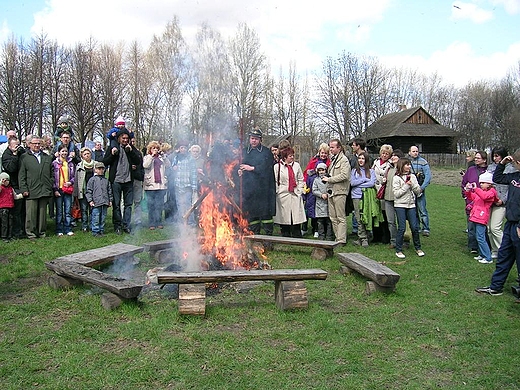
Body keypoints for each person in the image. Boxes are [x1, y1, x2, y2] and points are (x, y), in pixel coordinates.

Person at [476, 149, 520, 296]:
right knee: (503, 256)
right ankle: (495, 287)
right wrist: (502, 164)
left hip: (519, 226)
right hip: (510, 224)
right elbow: (498, 178)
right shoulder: (515, 176)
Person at [238, 128, 276, 235]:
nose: (254, 141)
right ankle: (255, 236)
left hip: (263, 188)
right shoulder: (244, 151)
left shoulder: (266, 152)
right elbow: (239, 165)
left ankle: (268, 238)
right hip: (249, 189)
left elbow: (267, 168)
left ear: (260, 140)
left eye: (256, 139)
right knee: (252, 214)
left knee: (265, 215)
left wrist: (253, 168)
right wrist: (239, 171)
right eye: (252, 138)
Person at [102, 128, 140, 234]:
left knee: (128, 205)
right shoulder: (112, 147)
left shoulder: (130, 148)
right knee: (116, 205)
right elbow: (105, 162)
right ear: (119, 138)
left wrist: (131, 151)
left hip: (128, 181)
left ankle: (126, 225)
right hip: (116, 180)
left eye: (127, 138)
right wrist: (113, 154)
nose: (125, 140)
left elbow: (138, 161)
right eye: (123, 138)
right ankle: (117, 225)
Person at [18, 136, 54, 239]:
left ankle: (42, 232)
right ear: (29, 144)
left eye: (39, 143)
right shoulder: (24, 157)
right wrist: (24, 189)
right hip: (31, 189)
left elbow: (52, 173)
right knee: (31, 214)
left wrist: (50, 184)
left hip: (44, 189)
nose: (37, 145)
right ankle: (31, 233)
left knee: (42, 214)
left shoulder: (46, 157)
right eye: (35, 143)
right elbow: (21, 175)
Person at [486, 146, 518, 259]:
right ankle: (495, 251)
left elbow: (511, 189)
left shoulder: (511, 169)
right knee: (489, 229)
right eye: (493, 156)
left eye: (497, 156)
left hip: (502, 202)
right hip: (490, 201)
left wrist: (502, 200)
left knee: (495, 227)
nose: (495, 158)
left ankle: (504, 251)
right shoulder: (490, 168)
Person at [392, 157, 425, 259]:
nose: (409, 166)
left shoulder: (412, 176)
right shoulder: (396, 178)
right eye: (407, 164)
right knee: (401, 228)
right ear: (402, 166)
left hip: (411, 205)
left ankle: (418, 248)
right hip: (400, 205)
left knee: (414, 227)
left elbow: (418, 191)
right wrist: (406, 186)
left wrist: (414, 185)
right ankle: (398, 249)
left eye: (409, 164)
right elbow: (396, 194)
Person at [464, 171, 498, 264]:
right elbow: (472, 197)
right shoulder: (481, 191)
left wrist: (476, 189)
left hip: (482, 217)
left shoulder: (492, 192)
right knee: (477, 236)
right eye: (481, 182)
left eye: (483, 183)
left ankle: (488, 257)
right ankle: (482, 254)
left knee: (481, 237)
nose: (481, 184)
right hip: (475, 216)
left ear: (489, 183)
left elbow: (484, 197)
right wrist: (468, 190)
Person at [322, 139, 350, 244]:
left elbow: (344, 175)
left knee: (340, 217)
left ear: (339, 148)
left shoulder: (344, 160)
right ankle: (337, 238)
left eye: (333, 147)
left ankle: (342, 240)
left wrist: (329, 179)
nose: (330, 149)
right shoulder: (333, 160)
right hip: (331, 192)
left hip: (340, 191)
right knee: (333, 217)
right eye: (330, 147)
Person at [273, 147, 306, 237]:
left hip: (295, 192)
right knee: (284, 215)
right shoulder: (277, 167)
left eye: (292, 156)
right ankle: (285, 233)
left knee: (296, 215)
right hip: (283, 193)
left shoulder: (296, 166)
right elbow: (275, 180)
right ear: (284, 157)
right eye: (290, 156)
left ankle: (296, 233)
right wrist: (278, 191)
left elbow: (300, 179)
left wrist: (299, 190)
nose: (292, 157)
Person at [461, 150, 488, 254]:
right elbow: (464, 183)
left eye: (478, 158)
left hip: (483, 201)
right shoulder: (471, 170)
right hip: (471, 200)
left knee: (482, 224)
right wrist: (464, 194)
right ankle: (473, 246)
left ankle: (485, 245)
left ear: (484, 160)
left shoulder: (488, 171)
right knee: (471, 223)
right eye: (475, 158)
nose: (476, 159)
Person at [350, 151, 376, 247]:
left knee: (367, 217)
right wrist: (364, 180)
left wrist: (359, 183)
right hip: (356, 197)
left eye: (363, 158)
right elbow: (352, 183)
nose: (361, 160)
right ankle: (363, 238)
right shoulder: (354, 171)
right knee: (358, 218)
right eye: (359, 158)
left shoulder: (371, 171)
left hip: (367, 197)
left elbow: (372, 183)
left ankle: (368, 236)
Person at [143, 141, 170, 230]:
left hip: (161, 185)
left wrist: (164, 157)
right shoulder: (147, 157)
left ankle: (159, 222)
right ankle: (151, 223)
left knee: (159, 205)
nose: (155, 150)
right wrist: (152, 156)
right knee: (151, 205)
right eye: (153, 148)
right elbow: (146, 166)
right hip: (150, 185)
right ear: (150, 149)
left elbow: (168, 165)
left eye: (157, 148)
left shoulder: (162, 158)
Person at [2, 136, 25, 238]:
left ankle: (22, 230)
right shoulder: (6, 155)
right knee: (15, 212)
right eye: (15, 145)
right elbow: (11, 168)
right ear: (9, 145)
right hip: (13, 186)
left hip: (21, 184)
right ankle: (15, 232)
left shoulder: (21, 152)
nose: (17, 147)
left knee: (22, 211)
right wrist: (15, 155)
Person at [171, 140, 198, 225]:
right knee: (180, 204)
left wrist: (194, 186)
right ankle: (182, 222)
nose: (183, 149)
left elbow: (194, 173)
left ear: (187, 149)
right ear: (179, 149)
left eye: (184, 148)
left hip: (187, 186)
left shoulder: (190, 159)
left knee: (188, 204)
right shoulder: (176, 158)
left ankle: (191, 222)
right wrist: (173, 168)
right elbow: (172, 169)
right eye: (181, 148)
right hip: (178, 185)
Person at [52, 145, 76, 236]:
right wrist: (55, 189)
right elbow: (53, 178)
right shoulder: (55, 163)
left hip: (67, 189)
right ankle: (59, 229)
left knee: (67, 210)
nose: (64, 153)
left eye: (66, 151)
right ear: (59, 152)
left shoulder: (70, 163)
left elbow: (73, 176)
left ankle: (68, 228)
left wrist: (70, 182)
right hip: (59, 189)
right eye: (62, 151)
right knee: (59, 211)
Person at [371, 144, 393, 244]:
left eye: (387, 154)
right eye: (383, 153)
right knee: (376, 213)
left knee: (384, 214)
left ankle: (386, 236)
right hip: (375, 189)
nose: (384, 155)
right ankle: (376, 236)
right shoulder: (375, 162)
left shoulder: (390, 164)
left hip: (384, 190)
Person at [383, 149, 404, 248]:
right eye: (393, 156)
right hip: (388, 198)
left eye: (395, 156)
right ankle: (393, 241)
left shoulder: (402, 170)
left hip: (399, 199)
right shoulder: (389, 169)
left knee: (401, 222)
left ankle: (403, 240)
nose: (393, 157)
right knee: (391, 221)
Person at [408, 145, 431, 237]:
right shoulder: (407, 162)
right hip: (410, 189)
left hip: (420, 189)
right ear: (409, 152)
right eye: (413, 151)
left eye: (416, 151)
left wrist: (422, 188)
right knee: (413, 209)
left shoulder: (423, 162)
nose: (415, 153)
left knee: (422, 210)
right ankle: (416, 227)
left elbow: (428, 176)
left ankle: (425, 228)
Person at [86, 162, 113, 237]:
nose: (101, 170)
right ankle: (95, 231)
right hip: (96, 202)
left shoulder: (106, 180)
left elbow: (109, 191)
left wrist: (110, 200)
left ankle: (101, 230)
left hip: (104, 202)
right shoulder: (92, 180)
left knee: (103, 217)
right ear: (95, 170)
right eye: (99, 169)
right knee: (96, 217)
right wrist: (90, 200)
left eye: (102, 169)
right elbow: (88, 191)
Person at [74, 147, 96, 232]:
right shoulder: (79, 166)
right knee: (83, 209)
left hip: (93, 191)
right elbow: (76, 179)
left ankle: (92, 225)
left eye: (88, 153)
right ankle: (84, 226)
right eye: (85, 154)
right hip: (83, 191)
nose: (87, 155)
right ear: (82, 156)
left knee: (92, 209)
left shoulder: (96, 164)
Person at [312, 162, 334, 240]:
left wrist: (328, 194)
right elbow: (314, 190)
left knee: (329, 221)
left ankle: (329, 236)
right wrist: (321, 195)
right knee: (320, 221)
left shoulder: (329, 179)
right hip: (320, 203)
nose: (321, 172)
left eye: (323, 170)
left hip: (328, 203)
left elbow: (332, 187)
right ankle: (321, 235)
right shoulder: (316, 180)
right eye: (319, 170)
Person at [0, 172, 23, 242]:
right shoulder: (1, 188)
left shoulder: (10, 189)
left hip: (10, 207)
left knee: (10, 222)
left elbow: (15, 196)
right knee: (4, 223)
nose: (5, 181)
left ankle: (9, 235)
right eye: (4, 180)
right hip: (3, 208)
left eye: (7, 180)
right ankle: (4, 236)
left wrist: (21, 195)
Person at [130, 136, 144, 227]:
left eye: (134, 141)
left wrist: (142, 177)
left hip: (137, 179)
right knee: (127, 202)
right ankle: (126, 220)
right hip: (127, 179)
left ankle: (138, 220)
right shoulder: (124, 152)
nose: (132, 142)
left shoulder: (138, 153)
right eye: (131, 141)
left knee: (138, 201)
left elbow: (142, 166)